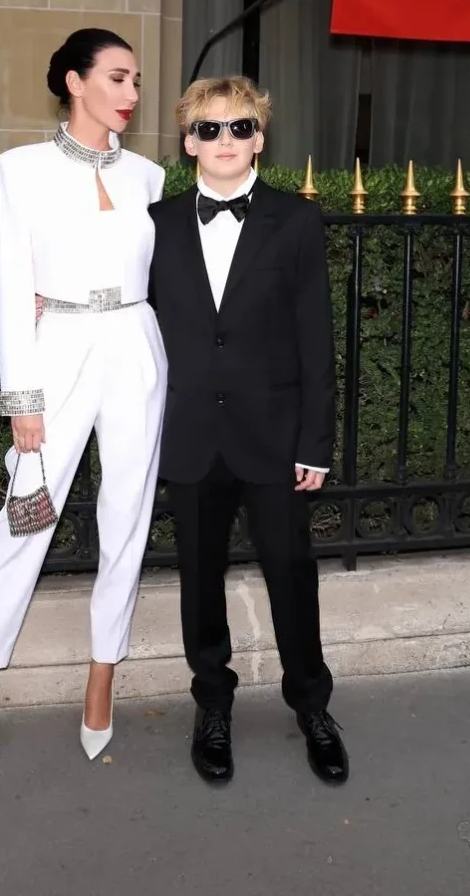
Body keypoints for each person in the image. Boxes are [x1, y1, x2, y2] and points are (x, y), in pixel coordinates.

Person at [0, 29, 167, 775]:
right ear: (75, 82)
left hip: (136, 346)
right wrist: (23, 396)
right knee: (26, 513)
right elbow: (10, 287)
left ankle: (103, 670)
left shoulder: (150, 177)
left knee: (128, 514)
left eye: (136, 80)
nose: (132, 93)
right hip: (59, 349)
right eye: (117, 77)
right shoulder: (20, 170)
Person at [148, 77, 348, 787]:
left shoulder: (296, 220)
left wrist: (315, 443)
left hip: (274, 436)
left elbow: (316, 338)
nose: (224, 140)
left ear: (259, 137)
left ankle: (312, 706)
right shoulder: (159, 221)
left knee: (291, 572)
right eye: (208, 128)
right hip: (192, 433)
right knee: (199, 579)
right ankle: (212, 704)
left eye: (238, 127)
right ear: (188, 141)